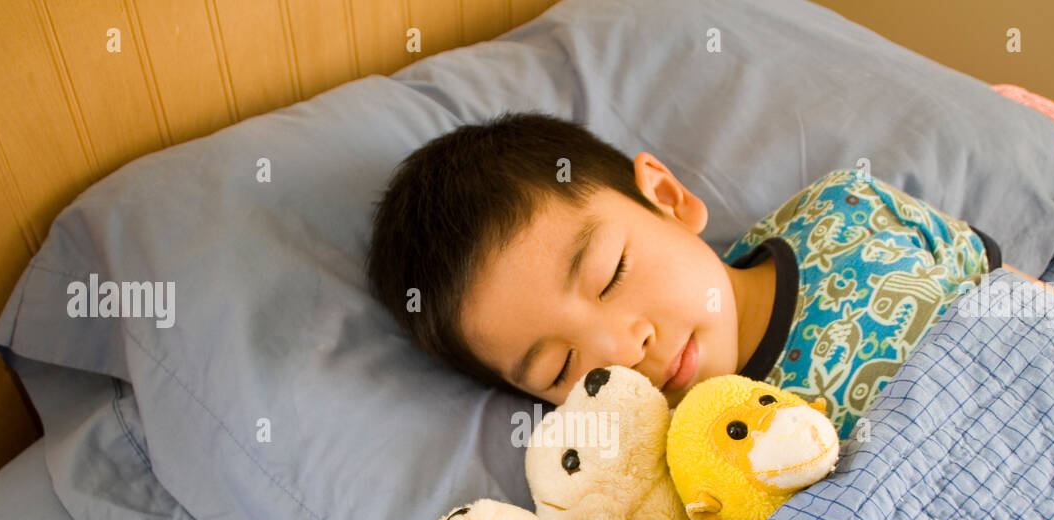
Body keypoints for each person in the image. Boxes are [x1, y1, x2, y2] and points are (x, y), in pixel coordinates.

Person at [366, 111, 1000, 440]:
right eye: (560, 368)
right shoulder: (686, 467)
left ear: (666, 196)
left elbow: (1014, 299)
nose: (621, 350)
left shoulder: (843, 210)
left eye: (610, 273)